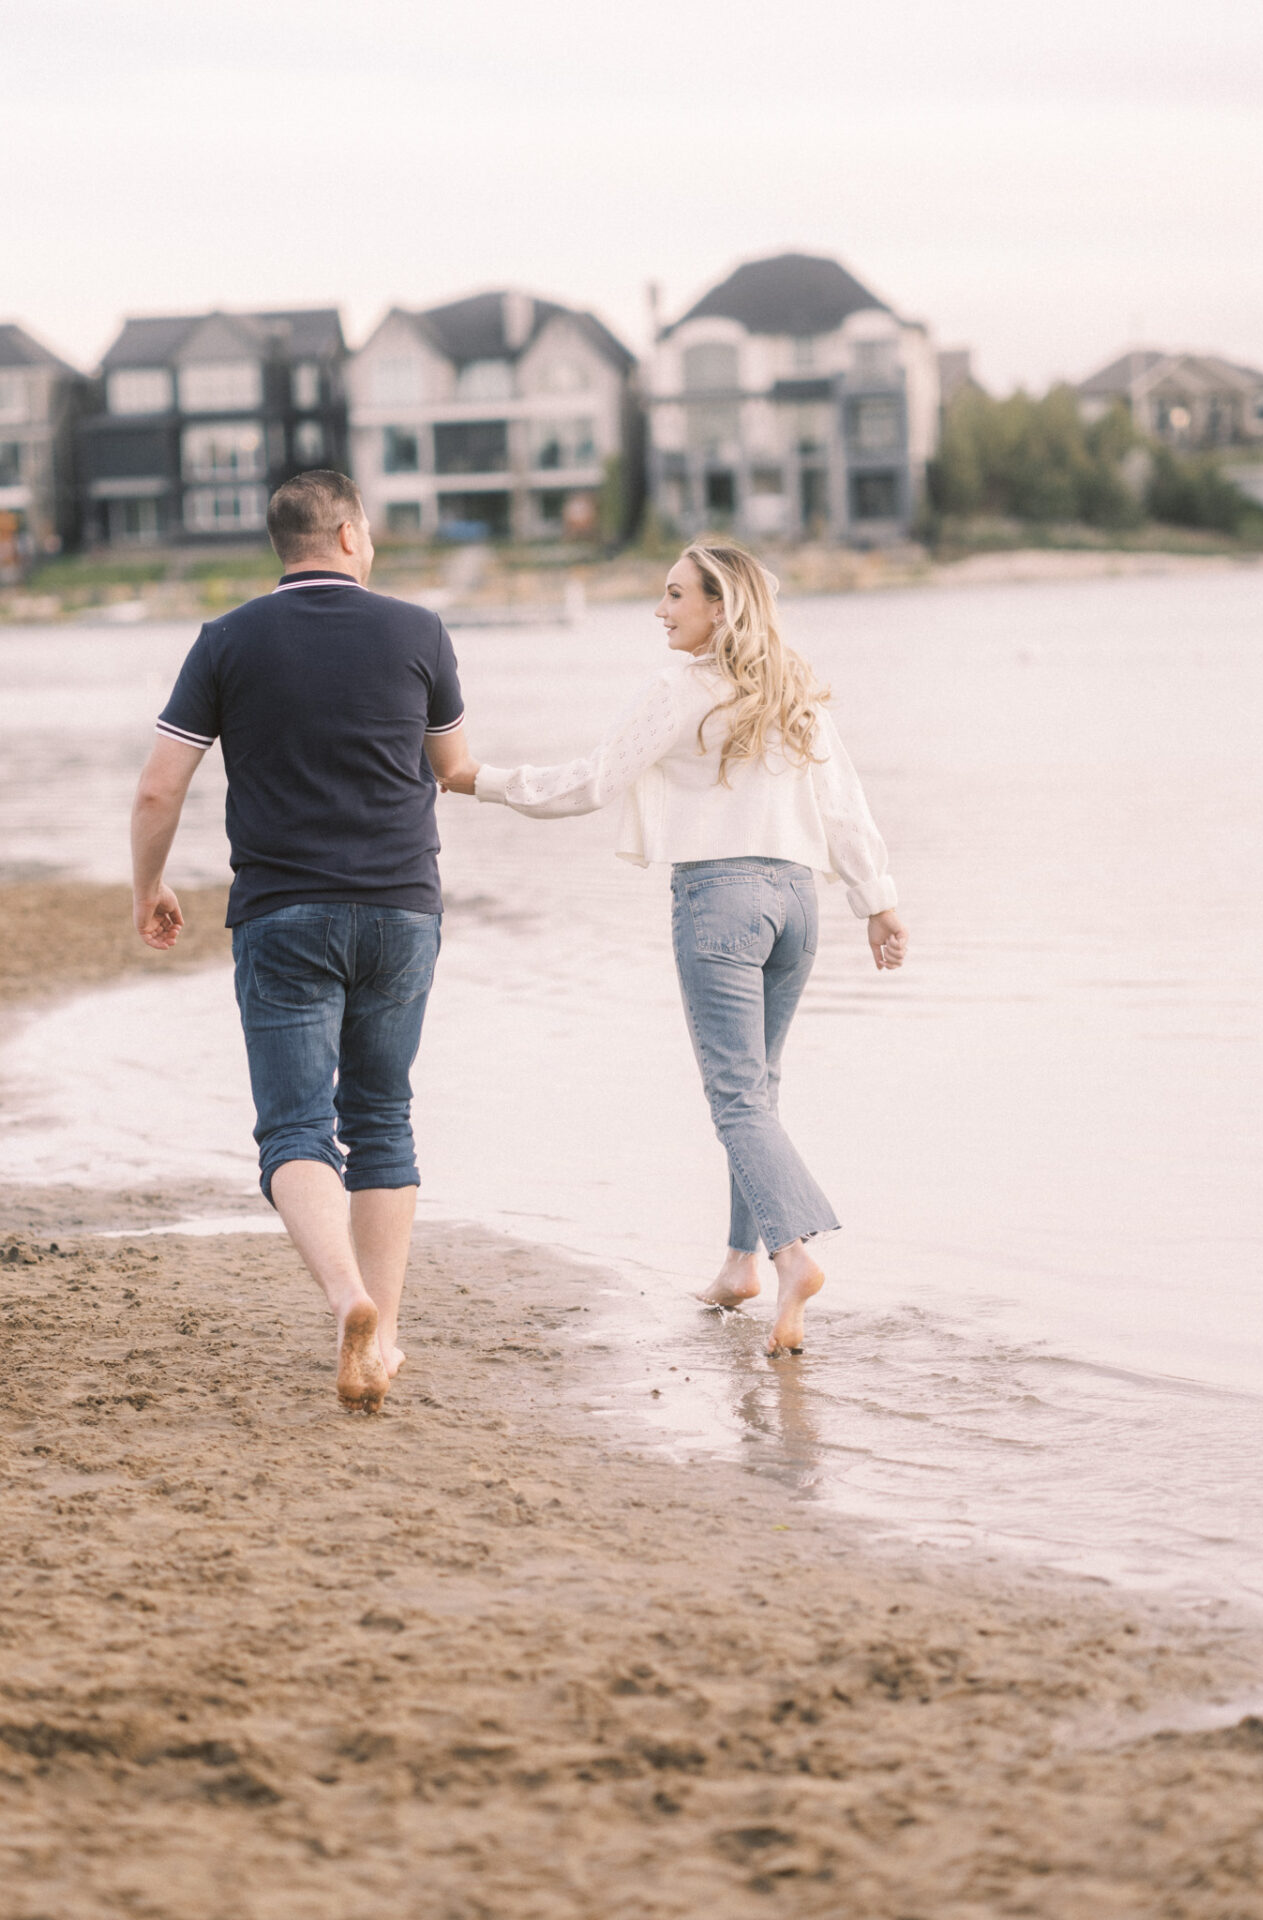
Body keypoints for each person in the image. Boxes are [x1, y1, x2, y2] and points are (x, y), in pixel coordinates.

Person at [437, 543, 905, 1356]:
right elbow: (844, 805)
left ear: (720, 608)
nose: (660, 609)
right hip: (798, 903)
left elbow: (592, 783)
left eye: (674, 595)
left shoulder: (681, 688)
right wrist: (880, 903)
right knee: (757, 1091)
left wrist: (478, 779)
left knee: (736, 1100)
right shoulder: (793, 689)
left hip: (720, 900)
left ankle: (792, 1258)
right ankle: (738, 1265)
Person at [129, 471, 470, 1413]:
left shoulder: (227, 639)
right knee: (383, 1118)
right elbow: (451, 767)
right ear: (352, 534)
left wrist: (148, 884)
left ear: (283, 545)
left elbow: (161, 786)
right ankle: (385, 1334)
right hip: (403, 909)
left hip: (283, 913)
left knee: (294, 1128)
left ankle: (344, 1298)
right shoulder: (419, 633)